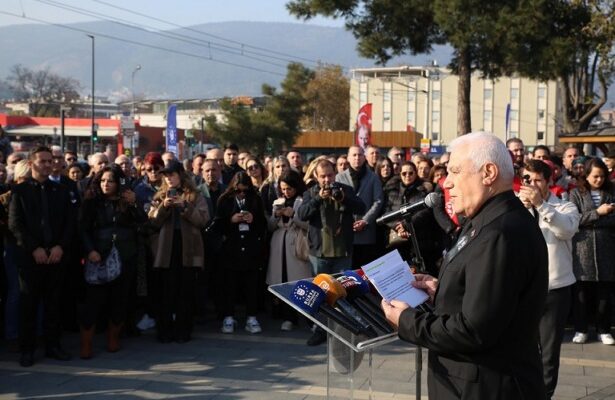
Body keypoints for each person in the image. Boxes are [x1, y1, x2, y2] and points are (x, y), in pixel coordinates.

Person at [382, 132, 548, 399]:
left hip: (487, 387)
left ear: (489, 173)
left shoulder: (500, 233)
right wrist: (443, 289)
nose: (447, 183)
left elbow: (475, 330)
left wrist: (406, 321)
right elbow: (489, 299)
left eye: (455, 171)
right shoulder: (488, 220)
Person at [9, 146, 76, 367]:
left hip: (56, 257)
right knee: (28, 304)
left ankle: (53, 345)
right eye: (43, 161)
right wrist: (34, 248)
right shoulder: (20, 192)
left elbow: (69, 223)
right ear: (32, 163)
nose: (48, 164)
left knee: (53, 304)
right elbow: (16, 224)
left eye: (50, 161)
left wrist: (59, 247)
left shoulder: (61, 191)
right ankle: (27, 349)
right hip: (30, 258)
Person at [519, 160, 580, 398]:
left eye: (537, 180)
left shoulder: (565, 207)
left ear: (548, 182)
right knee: (519, 348)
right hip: (521, 290)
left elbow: (565, 230)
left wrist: (540, 205)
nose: (531, 185)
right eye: (527, 180)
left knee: (548, 354)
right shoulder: (514, 207)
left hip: (554, 291)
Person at [78, 165, 145, 359]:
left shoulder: (127, 201)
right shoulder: (91, 202)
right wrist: (90, 250)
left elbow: (142, 222)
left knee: (120, 299)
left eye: (111, 181)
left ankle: (113, 338)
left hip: (125, 255)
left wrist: (134, 204)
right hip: (99, 255)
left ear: (119, 183)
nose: (106, 184)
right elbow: (82, 229)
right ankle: (86, 343)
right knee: (93, 301)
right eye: (103, 181)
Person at [148, 160, 209, 343]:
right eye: (165, 175)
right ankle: (165, 330)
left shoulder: (195, 195)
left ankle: (183, 330)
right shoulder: (159, 195)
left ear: (180, 175)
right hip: (166, 249)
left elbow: (203, 220)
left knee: (185, 291)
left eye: (172, 175)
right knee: (166, 291)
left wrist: (185, 206)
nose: (168, 178)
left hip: (187, 248)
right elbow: (152, 221)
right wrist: (164, 207)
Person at [569, 158, 615, 346]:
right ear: (586, 176)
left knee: (605, 292)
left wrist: (594, 221)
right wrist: (599, 213)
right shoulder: (575, 193)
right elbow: (574, 219)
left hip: (606, 247)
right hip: (583, 247)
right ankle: (581, 328)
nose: (599, 180)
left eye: (602, 176)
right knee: (582, 292)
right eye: (595, 176)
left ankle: (604, 329)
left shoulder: (611, 192)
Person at [215, 171, 267, 334]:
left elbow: (263, 226)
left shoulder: (255, 199)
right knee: (229, 285)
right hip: (231, 249)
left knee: (251, 286)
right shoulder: (225, 200)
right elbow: (217, 224)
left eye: (245, 190)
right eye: (239, 190)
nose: (242, 193)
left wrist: (253, 219)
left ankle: (251, 316)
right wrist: (231, 220)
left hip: (251, 249)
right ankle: (229, 316)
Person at [297, 159, 366, 275]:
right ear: (316, 176)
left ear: (335, 174)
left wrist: (344, 199)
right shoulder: (310, 193)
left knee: (343, 289)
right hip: (319, 254)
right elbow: (302, 215)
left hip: (343, 253)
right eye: (322, 176)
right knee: (321, 289)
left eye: (330, 175)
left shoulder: (346, 190)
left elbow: (362, 208)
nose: (327, 180)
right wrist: (318, 199)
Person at [265, 171, 311, 331]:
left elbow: (308, 225)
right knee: (282, 280)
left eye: (289, 188)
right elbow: (270, 226)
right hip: (279, 246)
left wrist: (293, 215)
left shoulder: (304, 200)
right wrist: (276, 215)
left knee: (301, 281)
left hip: (296, 245)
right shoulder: (278, 201)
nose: (286, 192)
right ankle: (288, 317)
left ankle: (309, 319)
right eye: (283, 189)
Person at [382, 161, 443, 275]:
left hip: (419, 241)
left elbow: (424, 212)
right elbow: (386, 212)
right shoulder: (391, 191)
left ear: (416, 174)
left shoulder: (423, 190)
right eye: (404, 173)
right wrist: (398, 227)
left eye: (411, 173)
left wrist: (406, 225)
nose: (407, 176)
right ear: (400, 175)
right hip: (398, 242)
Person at [336, 146, 383, 267]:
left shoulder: (373, 177)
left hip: (366, 233)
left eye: (360, 155)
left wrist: (365, 221)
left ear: (364, 157)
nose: (357, 158)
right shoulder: (339, 177)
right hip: (346, 232)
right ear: (348, 158)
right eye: (354, 155)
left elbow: (378, 201)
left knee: (366, 270)